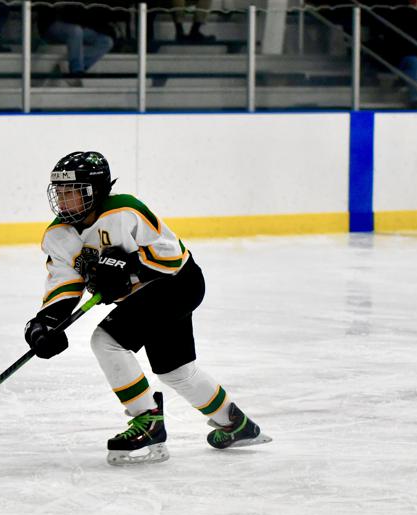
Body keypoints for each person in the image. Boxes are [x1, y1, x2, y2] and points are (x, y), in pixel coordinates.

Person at [24, 151, 272, 466]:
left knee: (106, 341)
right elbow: (63, 283)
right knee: (176, 371)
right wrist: (44, 324)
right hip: (148, 296)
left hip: (177, 284)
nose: (63, 200)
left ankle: (148, 420)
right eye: (59, 193)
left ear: (96, 191)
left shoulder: (125, 211)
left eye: (72, 192)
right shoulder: (57, 236)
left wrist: (129, 267)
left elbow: (172, 255)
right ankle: (236, 424)